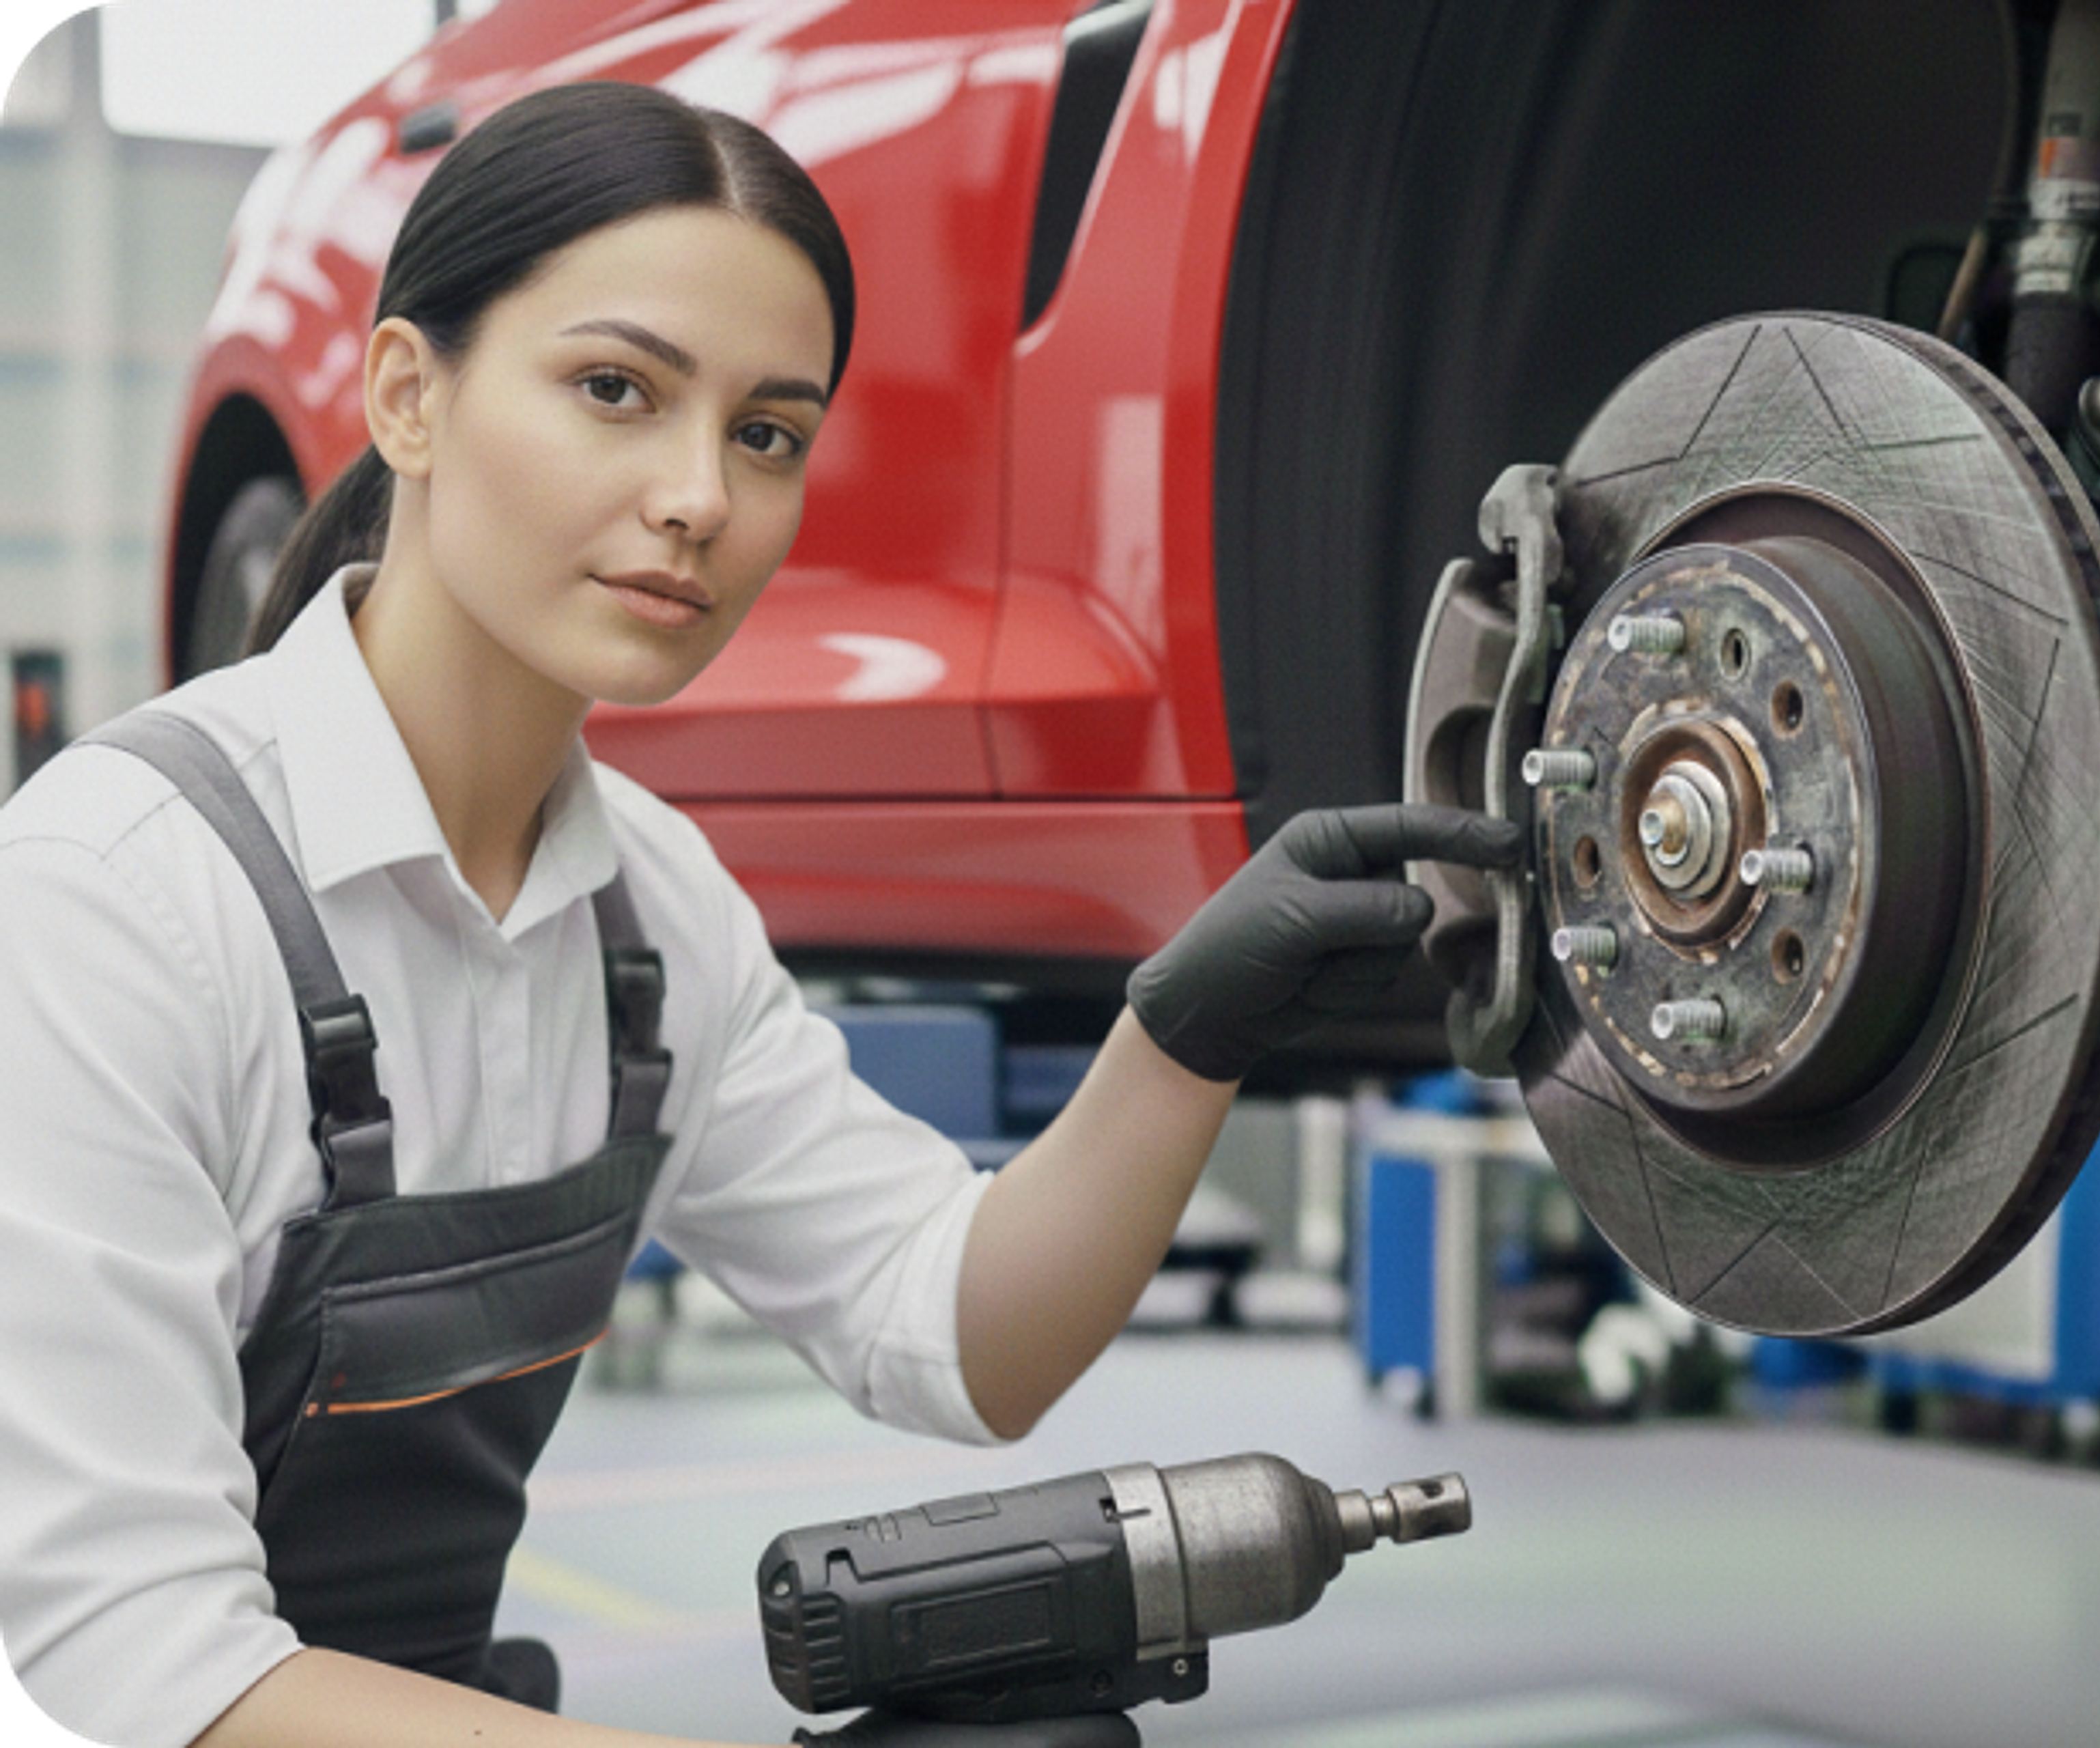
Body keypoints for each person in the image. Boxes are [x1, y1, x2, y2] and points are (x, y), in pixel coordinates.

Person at [0, 81, 1517, 1748]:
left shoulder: (646, 915)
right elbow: (129, 1656)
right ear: (405, 396)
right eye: (615, 391)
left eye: (766, 431)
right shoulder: (118, 893)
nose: (701, 497)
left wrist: (1181, 1035)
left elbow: (954, 1331)